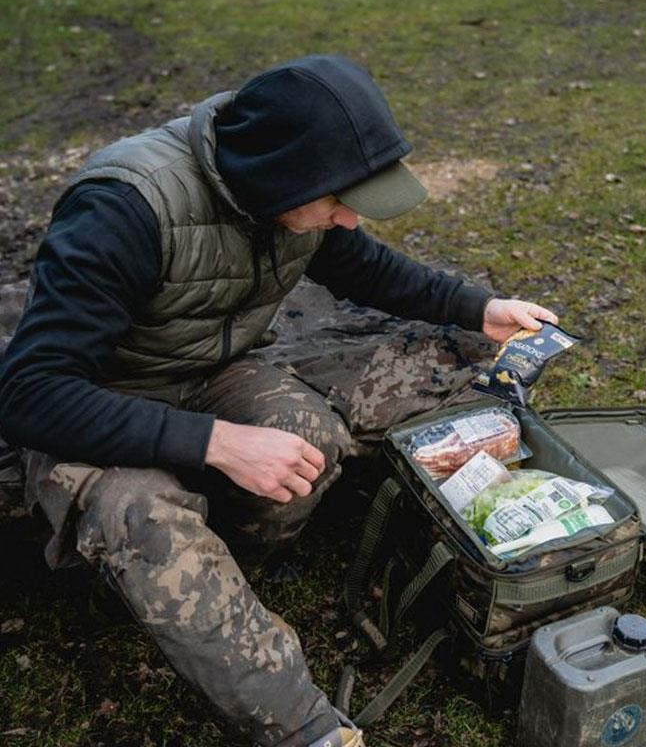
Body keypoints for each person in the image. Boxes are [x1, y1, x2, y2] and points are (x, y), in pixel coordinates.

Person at [0, 55, 558, 747]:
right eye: (337, 201)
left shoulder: (285, 191)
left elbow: (361, 265)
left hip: (203, 370)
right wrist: (217, 442)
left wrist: (478, 307)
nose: (349, 218)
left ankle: (231, 564)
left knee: (308, 435)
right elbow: (31, 392)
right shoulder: (124, 207)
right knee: (145, 517)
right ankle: (307, 729)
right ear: (282, 178)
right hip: (96, 398)